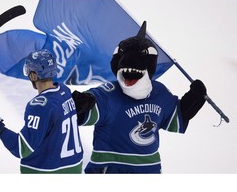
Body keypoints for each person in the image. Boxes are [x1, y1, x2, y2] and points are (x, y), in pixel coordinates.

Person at [72, 21, 207, 174]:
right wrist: (80, 103)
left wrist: (194, 98)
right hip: (111, 168)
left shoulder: (159, 92)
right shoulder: (109, 94)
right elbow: (88, 108)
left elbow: (178, 116)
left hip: (149, 169)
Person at [0, 49, 83, 173]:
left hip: (49, 172)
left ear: (34, 75)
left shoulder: (40, 106)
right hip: (75, 167)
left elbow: (22, 148)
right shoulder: (64, 90)